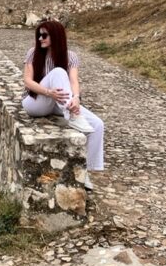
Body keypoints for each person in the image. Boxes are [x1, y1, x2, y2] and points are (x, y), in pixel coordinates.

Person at [21, 20, 104, 190]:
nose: (40, 39)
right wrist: (48, 92)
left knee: (97, 125)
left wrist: (76, 98)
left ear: (56, 36)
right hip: (36, 101)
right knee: (58, 72)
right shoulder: (33, 53)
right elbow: (27, 81)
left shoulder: (70, 56)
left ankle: (85, 171)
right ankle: (73, 115)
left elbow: (74, 81)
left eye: (44, 35)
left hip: (58, 104)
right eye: (39, 35)